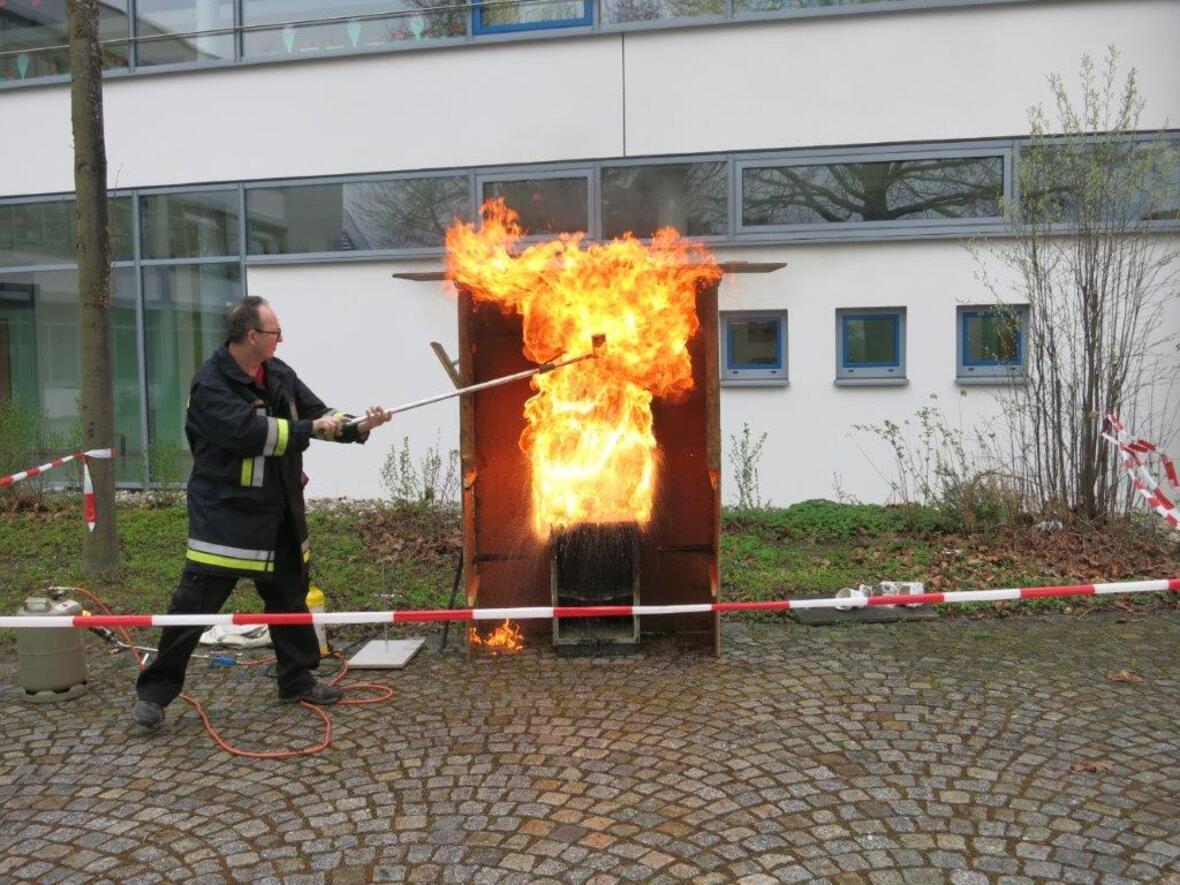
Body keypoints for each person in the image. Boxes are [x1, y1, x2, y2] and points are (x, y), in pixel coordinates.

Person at [132, 296, 391, 730]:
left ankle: (296, 678)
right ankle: (155, 693)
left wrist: (356, 425)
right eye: (275, 332)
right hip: (227, 517)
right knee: (194, 607)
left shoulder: (278, 373)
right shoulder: (211, 385)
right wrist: (310, 430)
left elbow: (316, 412)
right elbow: (248, 433)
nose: (282, 339)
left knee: (290, 597)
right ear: (251, 335)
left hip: (280, 511)